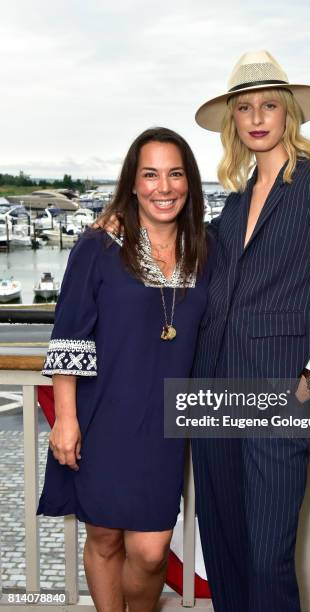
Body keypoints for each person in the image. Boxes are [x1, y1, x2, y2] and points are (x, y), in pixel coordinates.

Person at [190, 50, 310, 612]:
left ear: (288, 113)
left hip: (277, 401)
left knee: (268, 555)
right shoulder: (233, 203)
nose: (256, 117)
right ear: (233, 123)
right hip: (213, 391)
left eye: (269, 104)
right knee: (222, 545)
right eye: (244, 108)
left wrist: (308, 391)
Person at [37, 127, 212, 612]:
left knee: (151, 550)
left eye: (175, 174)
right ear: (132, 185)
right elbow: (69, 336)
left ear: (190, 182)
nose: (163, 187)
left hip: (164, 426)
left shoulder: (206, 251)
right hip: (103, 416)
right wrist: (67, 419)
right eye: (150, 174)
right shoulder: (97, 248)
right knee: (106, 538)